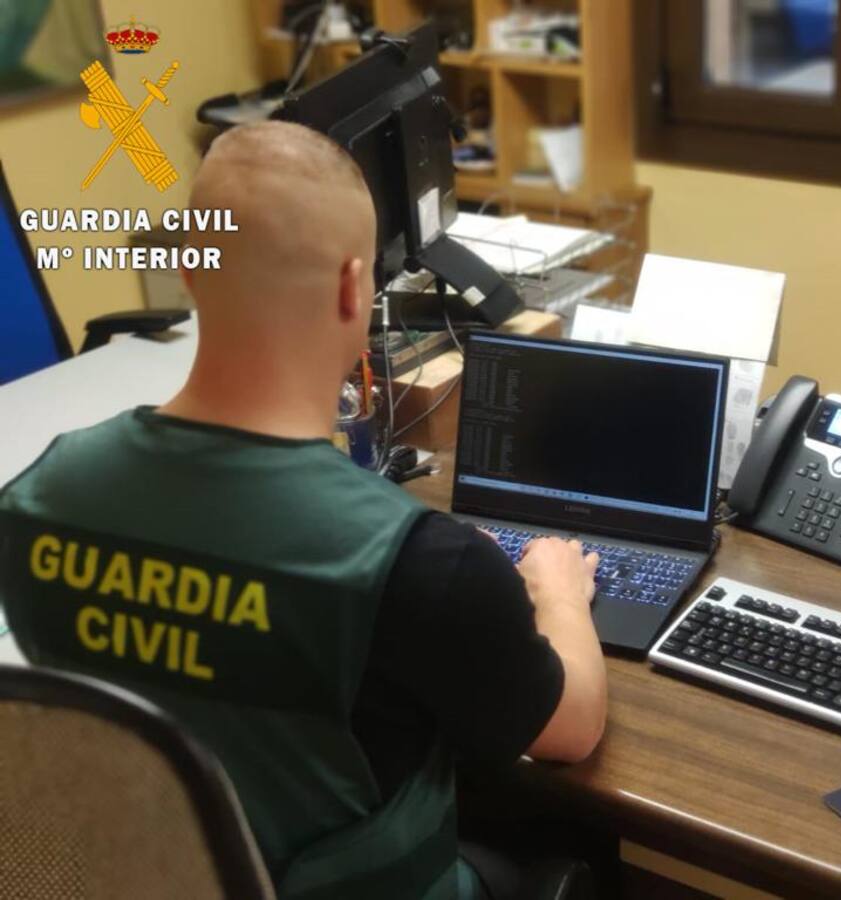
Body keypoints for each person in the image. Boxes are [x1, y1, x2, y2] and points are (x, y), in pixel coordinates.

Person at [0, 121, 607, 899]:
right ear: (355, 287)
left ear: (189, 272)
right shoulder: (420, 563)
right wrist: (559, 592)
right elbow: (572, 728)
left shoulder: (37, 498)